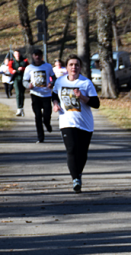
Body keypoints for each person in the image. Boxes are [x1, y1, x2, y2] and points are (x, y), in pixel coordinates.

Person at [52, 55, 99, 193]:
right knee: (71, 150)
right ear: (66, 67)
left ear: (80, 67)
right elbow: (54, 94)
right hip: (66, 121)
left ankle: (78, 173)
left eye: (76, 65)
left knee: (82, 153)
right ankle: (75, 179)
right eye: (71, 65)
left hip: (85, 123)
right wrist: (55, 104)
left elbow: (96, 103)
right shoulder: (60, 81)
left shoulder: (86, 83)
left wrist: (82, 97)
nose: (74, 67)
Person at [23, 48, 56, 143]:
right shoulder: (29, 68)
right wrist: (28, 85)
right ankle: (40, 137)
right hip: (35, 94)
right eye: (36, 55)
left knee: (47, 115)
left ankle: (47, 124)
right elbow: (24, 80)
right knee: (37, 116)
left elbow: (54, 78)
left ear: (42, 56)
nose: (37, 57)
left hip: (46, 94)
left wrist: (52, 83)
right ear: (33, 56)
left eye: (39, 55)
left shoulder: (48, 66)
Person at [9, 50, 29, 116]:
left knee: (22, 94)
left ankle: (21, 108)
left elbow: (29, 68)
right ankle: (18, 109)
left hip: (23, 79)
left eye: (18, 54)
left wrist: (23, 68)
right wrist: (12, 71)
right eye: (16, 54)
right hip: (16, 79)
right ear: (14, 55)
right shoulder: (12, 61)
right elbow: (9, 68)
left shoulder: (25, 60)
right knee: (18, 93)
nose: (17, 55)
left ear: (20, 54)